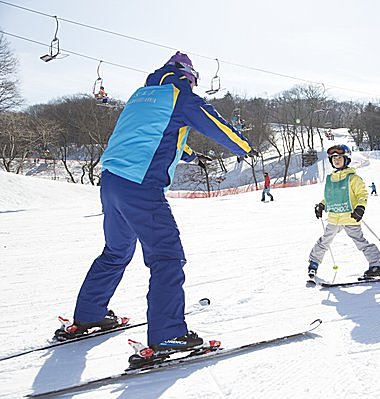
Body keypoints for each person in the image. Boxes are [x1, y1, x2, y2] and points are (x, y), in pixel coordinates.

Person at [57, 52, 254, 362]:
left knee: (116, 251)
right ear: (188, 76)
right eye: (194, 80)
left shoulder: (142, 95)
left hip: (111, 183)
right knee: (166, 255)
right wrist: (244, 146)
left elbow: (151, 134)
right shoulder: (182, 96)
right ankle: (168, 334)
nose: (193, 84)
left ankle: (90, 313)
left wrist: (188, 155)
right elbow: (216, 125)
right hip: (141, 185)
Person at [308, 144, 380, 279]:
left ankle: (377, 265)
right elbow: (329, 197)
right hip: (334, 218)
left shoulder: (353, 178)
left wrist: (360, 207)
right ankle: (314, 263)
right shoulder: (330, 179)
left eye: (339, 157)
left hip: (350, 217)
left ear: (347, 159)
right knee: (324, 241)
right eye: (333, 158)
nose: (336, 160)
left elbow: (362, 195)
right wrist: (321, 205)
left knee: (360, 242)